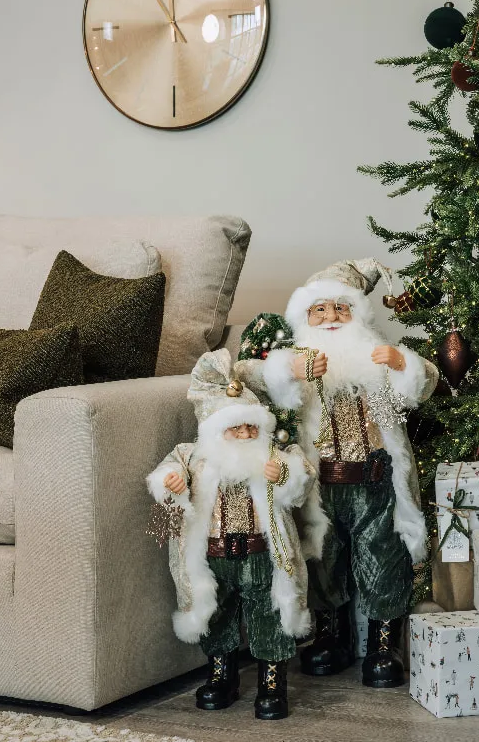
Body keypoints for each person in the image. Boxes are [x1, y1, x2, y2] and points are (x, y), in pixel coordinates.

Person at [239, 259, 438, 687]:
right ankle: (333, 636)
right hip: (321, 485)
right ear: (305, 318)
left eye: (340, 309)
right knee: (324, 557)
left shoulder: (375, 357)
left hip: (373, 479)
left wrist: (404, 364)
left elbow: (427, 382)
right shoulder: (299, 359)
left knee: (382, 555)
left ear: (356, 315)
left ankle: (384, 645)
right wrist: (286, 369)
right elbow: (242, 375)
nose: (331, 318)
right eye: (320, 311)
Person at [147, 349, 322, 720]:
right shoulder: (193, 457)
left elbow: (302, 473)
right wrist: (172, 484)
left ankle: (272, 682)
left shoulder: (271, 455)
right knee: (217, 616)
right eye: (235, 428)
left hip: (262, 556)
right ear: (215, 430)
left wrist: (286, 475)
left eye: (251, 427)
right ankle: (221, 674)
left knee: (270, 615)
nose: (244, 434)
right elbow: (165, 475)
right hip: (215, 556)